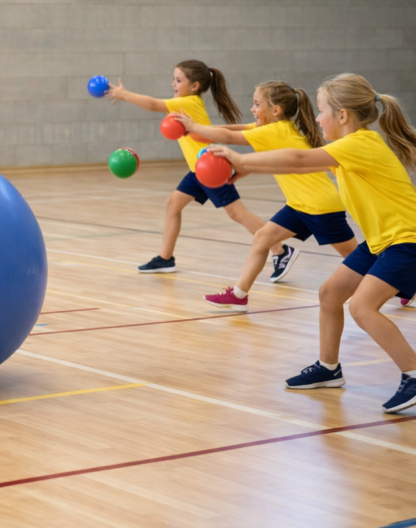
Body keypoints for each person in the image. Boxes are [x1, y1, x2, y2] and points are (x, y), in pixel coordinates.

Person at [210, 74, 416, 413]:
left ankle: (412, 373)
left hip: (406, 240)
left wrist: (242, 160)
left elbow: (299, 160)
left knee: (362, 308)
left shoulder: (361, 143)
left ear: (343, 115)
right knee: (330, 293)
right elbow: (296, 163)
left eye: (321, 111)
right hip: (382, 241)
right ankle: (329, 368)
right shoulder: (348, 149)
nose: (317, 118)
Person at [173, 81, 357, 311]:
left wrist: (194, 126)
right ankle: (239, 294)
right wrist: (197, 128)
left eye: (257, 104)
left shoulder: (275, 130)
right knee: (262, 238)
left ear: (276, 110)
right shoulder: (276, 128)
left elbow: (227, 138)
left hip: (320, 206)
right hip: (300, 205)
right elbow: (235, 130)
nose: (252, 109)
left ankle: (404, 286)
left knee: (355, 256)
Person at [106, 60, 286, 274]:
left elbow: (154, 105)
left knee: (237, 213)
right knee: (173, 204)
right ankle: (165, 258)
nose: (173, 83)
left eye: (179, 80)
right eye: (173, 79)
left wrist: (123, 94)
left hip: (211, 166)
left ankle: (280, 250)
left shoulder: (189, 102)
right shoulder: (183, 101)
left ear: (195, 86)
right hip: (197, 169)